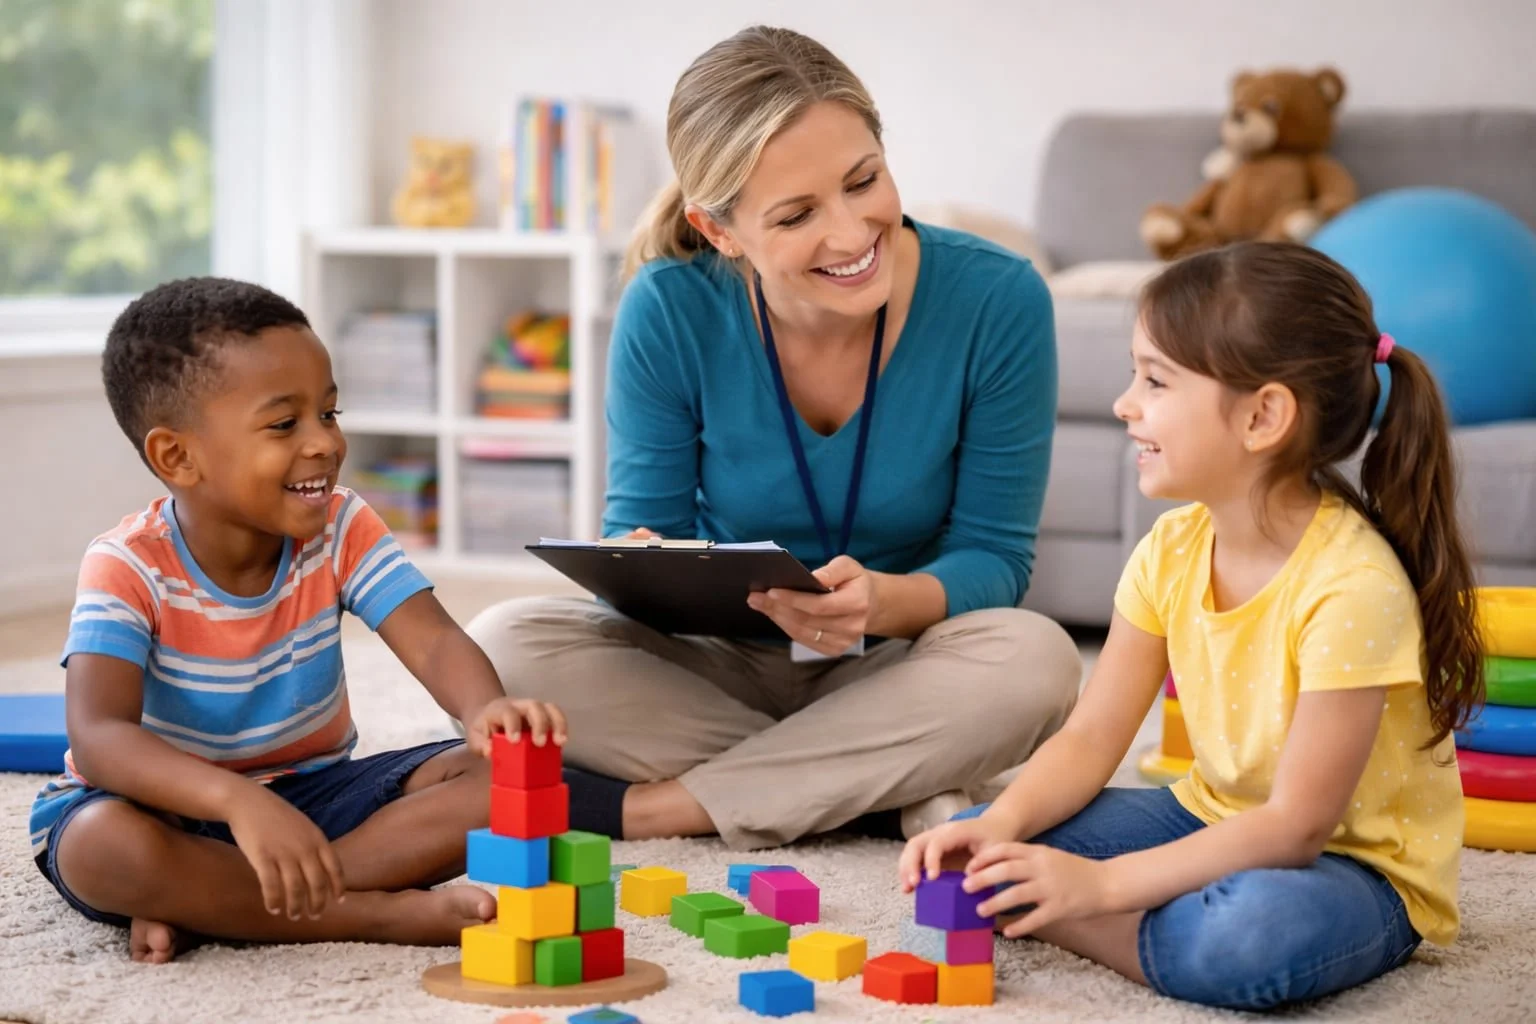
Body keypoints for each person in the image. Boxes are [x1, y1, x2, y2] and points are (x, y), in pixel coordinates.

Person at [466, 25, 1080, 851]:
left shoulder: (998, 299)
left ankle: (665, 808)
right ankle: (878, 786)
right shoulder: (669, 306)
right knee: (502, 648)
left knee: (1035, 660)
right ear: (720, 230)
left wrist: (883, 601)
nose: (853, 233)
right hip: (718, 659)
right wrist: (644, 561)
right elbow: (643, 525)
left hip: (899, 656)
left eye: (864, 181)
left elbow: (994, 558)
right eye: (796, 215)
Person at [900, 241, 1485, 1010]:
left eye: (1154, 380)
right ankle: (1118, 914)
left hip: (1356, 867)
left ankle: (1100, 919)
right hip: (1207, 812)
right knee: (977, 848)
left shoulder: (1353, 587)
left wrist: (1099, 886)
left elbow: (1296, 827)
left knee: (1242, 939)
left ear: (1263, 416)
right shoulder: (1171, 549)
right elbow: (1089, 739)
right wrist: (1003, 821)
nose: (1124, 403)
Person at [28, 278, 568, 963]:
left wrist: (486, 709)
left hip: (311, 797)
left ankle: (226, 904)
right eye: (285, 424)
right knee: (103, 848)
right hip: (161, 808)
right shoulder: (126, 566)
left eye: (330, 413)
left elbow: (431, 642)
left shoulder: (342, 526)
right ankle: (367, 915)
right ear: (177, 457)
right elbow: (100, 736)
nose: (323, 443)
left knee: (511, 780)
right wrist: (234, 802)